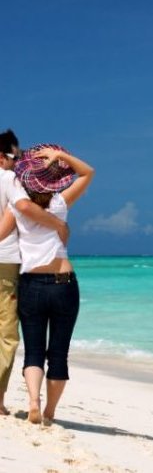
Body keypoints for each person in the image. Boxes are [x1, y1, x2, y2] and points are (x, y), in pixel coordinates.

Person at [0, 143, 94, 424]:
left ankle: (33, 401)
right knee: (59, 353)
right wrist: (61, 156)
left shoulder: (17, 209)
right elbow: (88, 173)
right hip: (64, 283)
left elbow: (0, 236)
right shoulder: (60, 204)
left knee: (34, 352)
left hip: (31, 284)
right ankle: (51, 413)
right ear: (56, 179)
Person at [0, 130, 69, 416]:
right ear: (2, 157)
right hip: (4, 262)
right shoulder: (8, 179)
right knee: (5, 333)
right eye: (16, 157)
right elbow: (24, 207)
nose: (19, 163)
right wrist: (57, 224)